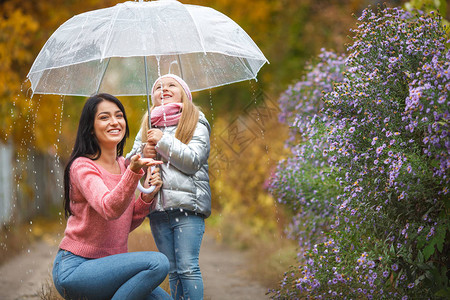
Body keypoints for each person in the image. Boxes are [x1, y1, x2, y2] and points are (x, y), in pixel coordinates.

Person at [52, 93, 171, 300]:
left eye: (119, 116)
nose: (114, 122)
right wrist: (133, 173)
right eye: (104, 117)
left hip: (112, 269)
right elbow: (109, 208)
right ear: (90, 127)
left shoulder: (124, 165)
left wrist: (147, 195)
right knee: (157, 263)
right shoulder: (82, 167)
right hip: (76, 269)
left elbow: (124, 223)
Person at [127, 74, 211, 300]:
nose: (163, 89)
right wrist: (143, 153)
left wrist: (163, 141)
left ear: (184, 92)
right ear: (152, 97)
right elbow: (129, 162)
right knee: (172, 272)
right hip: (158, 211)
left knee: (188, 268)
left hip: (188, 208)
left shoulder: (196, 121)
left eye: (171, 85)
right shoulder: (148, 125)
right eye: (157, 87)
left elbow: (194, 160)